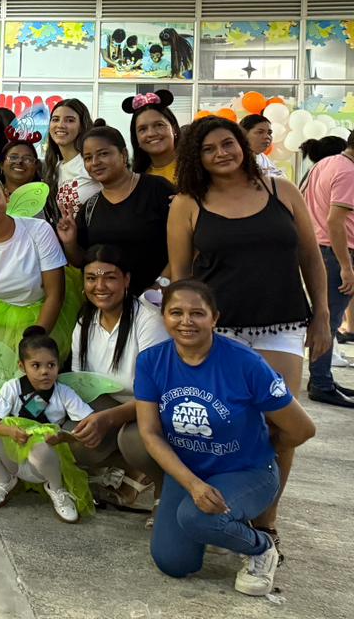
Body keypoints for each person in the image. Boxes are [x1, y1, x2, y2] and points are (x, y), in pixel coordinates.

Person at [167, 115, 329, 544]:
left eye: (227, 144)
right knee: (222, 425)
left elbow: (311, 259)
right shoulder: (186, 204)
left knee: (281, 428)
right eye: (208, 149)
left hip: (283, 325)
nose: (221, 153)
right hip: (219, 332)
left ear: (242, 144)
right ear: (195, 158)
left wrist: (323, 316)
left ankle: (266, 523)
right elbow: (182, 281)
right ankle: (216, 505)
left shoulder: (283, 191)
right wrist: (183, 336)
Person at [135, 280, 316, 596]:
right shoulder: (151, 361)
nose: (186, 321)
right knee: (172, 562)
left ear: (215, 318)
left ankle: (260, 548)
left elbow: (302, 429)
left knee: (198, 518)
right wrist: (192, 483)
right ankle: (222, 528)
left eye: (197, 313)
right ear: (163, 317)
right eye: (176, 312)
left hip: (246, 471)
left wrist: (264, 450)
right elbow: (150, 434)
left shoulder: (245, 363)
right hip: (189, 472)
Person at [0, 326, 93, 524]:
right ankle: (5, 480)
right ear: (22, 366)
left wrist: (63, 436)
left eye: (51, 365)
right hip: (14, 457)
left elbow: (88, 422)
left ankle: (56, 489)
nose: (44, 372)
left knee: (41, 450)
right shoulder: (12, 387)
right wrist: (10, 431)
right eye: (36, 366)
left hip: (44, 463)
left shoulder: (64, 393)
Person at [66, 246, 166, 493]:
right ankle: (128, 467)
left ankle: (164, 490)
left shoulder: (149, 321)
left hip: (154, 409)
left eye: (109, 277)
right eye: (91, 278)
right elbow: (82, 383)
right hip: (109, 404)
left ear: (126, 280)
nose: (100, 286)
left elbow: (158, 394)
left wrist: (108, 419)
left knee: (133, 441)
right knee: (70, 439)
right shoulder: (84, 322)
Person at [0, 173, 71, 355]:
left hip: (45, 316)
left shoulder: (39, 230)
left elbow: (55, 295)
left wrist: (35, 345)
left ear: (7, 196)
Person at [56, 125, 172, 293]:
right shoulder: (90, 207)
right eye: (88, 158)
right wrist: (70, 243)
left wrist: (160, 287)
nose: (95, 162)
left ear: (123, 155)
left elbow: (184, 246)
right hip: (110, 306)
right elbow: (82, 261)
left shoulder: (156, 189)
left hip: (158, 301)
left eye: (103, 154)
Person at [299, 128, 354, 407]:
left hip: (321, 249)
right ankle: (320, 382)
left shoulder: (327, 163)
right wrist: (346, 265)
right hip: (335, 252)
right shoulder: (347, 172)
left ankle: (324, 378)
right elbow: (336, 221)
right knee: (328, 320)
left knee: (326, 317)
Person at [44, 98, 99, 224]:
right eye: (55, 119)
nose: (60, 125)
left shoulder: (91, 162)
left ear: (81, 126)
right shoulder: (56, 168)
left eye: (70, 120)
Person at [125, 91, 180, 185]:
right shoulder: (134, 181)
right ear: (136, 138)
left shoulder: (198, 167)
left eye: (159, 125)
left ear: (174, 129)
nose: (151, 133)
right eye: (143, 129)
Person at [240, 113, 286, 179]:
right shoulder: (235, 158)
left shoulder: (262, 157)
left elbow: (280, 178)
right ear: (244, 134)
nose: (267, 137)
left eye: (269, 133)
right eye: (260, 132)